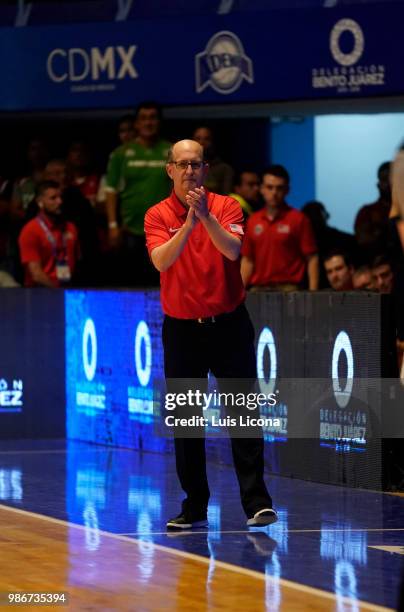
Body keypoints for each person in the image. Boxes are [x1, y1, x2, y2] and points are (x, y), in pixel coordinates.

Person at [144, 139, 276, 530]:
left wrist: (205, 218)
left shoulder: (228, 206)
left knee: (244, 416)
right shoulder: (157, 215)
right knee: (186, 421)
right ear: (170, 170)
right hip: (182, 331)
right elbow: (161, 261)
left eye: (196, 164)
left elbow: (233, 251)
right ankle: (194, 506)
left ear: (206, 169)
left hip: (229, 326)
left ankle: (256, 504)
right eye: (182, 165)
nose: (189, 171)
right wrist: (187, 223)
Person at [105, 101, 171, 286]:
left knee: (160, 284)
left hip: (163, 232)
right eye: (143, 118)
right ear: (136, 124)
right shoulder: (121, 153)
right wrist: (112, 225)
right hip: (130, 232)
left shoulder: (172, 151)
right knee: (130, 284)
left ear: (159, 122)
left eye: (152, 118)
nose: (148, 123)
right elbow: (111, 190)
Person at [241, 165, 319, 291]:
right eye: (269, 187)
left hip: (290, 289)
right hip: (258, 289)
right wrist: (238, 295)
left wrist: (313, 294)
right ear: (262, 189)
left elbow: (312, 258)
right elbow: (248, 261)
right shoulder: (252, 221)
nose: (274, 193)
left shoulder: (299, 219)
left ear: (287, 190)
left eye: (279, 188)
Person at [18, 180, 79, 287]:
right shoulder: (30, 230)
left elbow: (78, 261)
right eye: (53, 198)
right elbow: (36, 274)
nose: (59, 201)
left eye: (60, 197)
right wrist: (58, 292)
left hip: (68, 289)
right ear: (40, 202)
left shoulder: (71, 227)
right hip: (40, 292)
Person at [354, 162, 392, 261]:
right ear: (378, 184)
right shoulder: (367, 212)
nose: (390, 183)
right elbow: (363, 241)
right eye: (385, 179)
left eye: (394, 179)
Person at [193, 126, 234, 195]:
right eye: (198, 138)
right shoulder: (185, 168)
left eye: (207, 139)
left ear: (212, 141)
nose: (202, 142)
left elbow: (225, 197)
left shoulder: (225, 169)